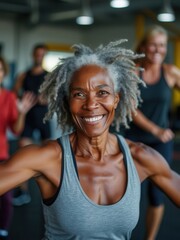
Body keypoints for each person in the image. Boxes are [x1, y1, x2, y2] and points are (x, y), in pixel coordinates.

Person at [0, 40, 179, 240]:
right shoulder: (47, 158)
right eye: (79, 94)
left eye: (102, 93)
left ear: (116, 99)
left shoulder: (141, 158)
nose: (91, 104)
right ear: (68, 103)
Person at [124, 25, 180, 240]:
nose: (158, 50)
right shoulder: (132, 71)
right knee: (126, 193)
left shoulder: (171, 72)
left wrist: (160, 133)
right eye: (153, 45)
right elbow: (129, 107)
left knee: (156, 193)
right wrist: (156, 129)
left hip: (160, 143)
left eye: (162, 46)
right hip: (132, 140)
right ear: (144, 46)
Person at [0, 56, 36, 239]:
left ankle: (3, 229)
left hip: (1, 152)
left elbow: (16, 129)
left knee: (5, 195)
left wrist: (21, 112)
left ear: (4, 74)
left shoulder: (8, 97)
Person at [12, 43, 51, 206]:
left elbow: (54, 95)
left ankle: (50, 191)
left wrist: (47, 98)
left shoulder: (49, 76)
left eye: (42, 55)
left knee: (49, 155)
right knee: (23, 154)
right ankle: (23, 191)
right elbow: (14, 91)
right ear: (33, 55)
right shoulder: (24, 75)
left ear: (44, 56)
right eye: (37, 54)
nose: (39, 57)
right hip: (27, 118)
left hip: (43, 118)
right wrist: (22, 100)